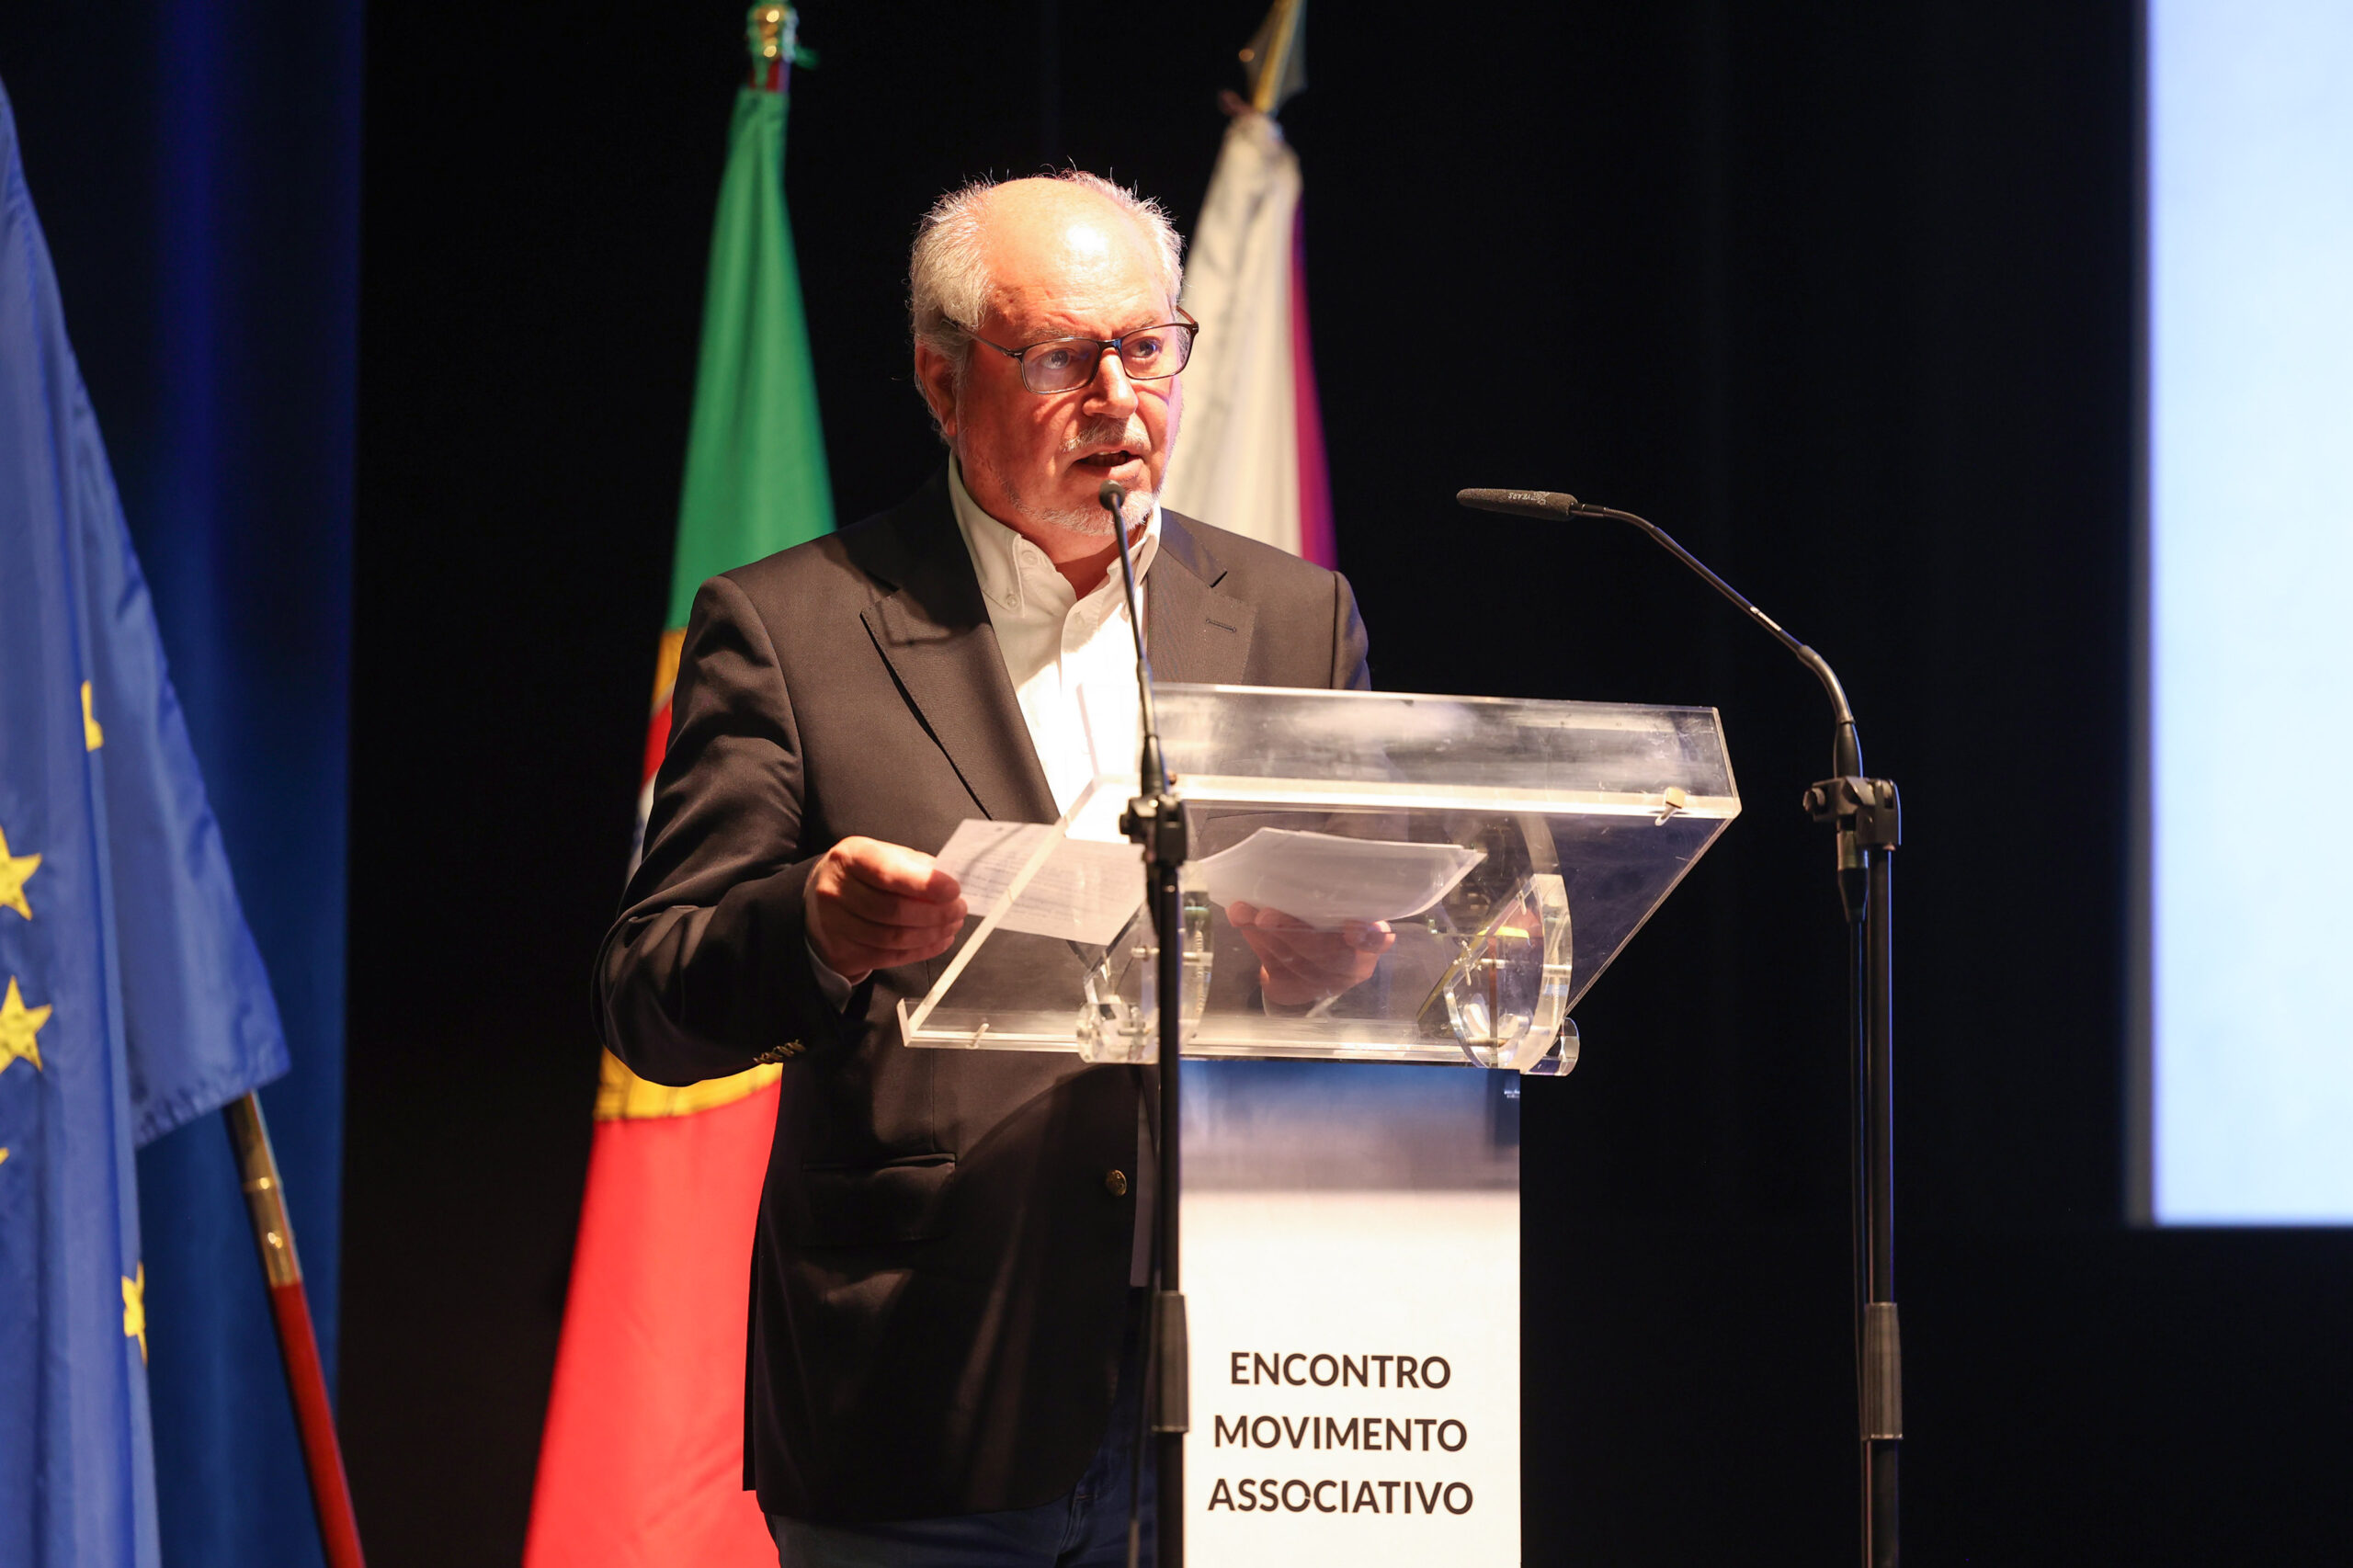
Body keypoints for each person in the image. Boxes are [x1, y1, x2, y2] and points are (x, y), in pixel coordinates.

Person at [597, 170, 1372, 1565]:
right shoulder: (792, 629)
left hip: (1248, 1398)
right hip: (919, 1396)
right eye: (1062, 357)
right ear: (942, 383)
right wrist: (813, 929)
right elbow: (652, 993)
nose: (1120, 398)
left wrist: (1337, 966)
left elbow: (1371, 958)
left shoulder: (1293, 618)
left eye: (1148, 347)